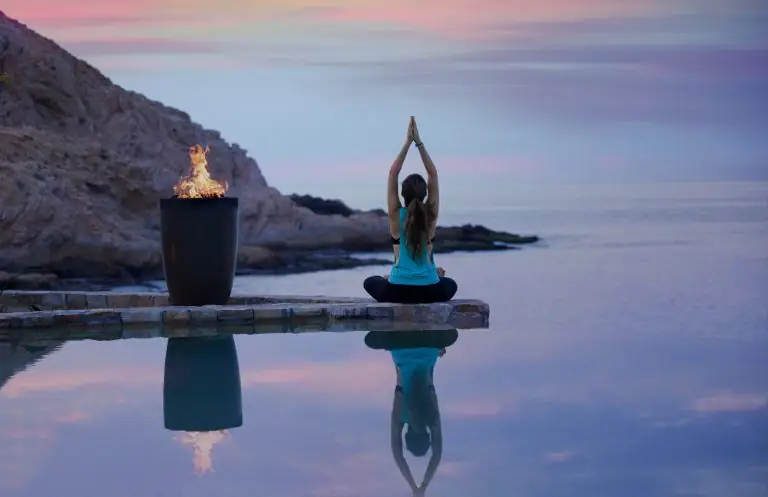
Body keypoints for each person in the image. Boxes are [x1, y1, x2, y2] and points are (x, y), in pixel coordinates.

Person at [363, 117, 458, 304]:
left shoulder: (395, 216)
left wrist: (407, 142)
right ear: (425, 194)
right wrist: (419, 143)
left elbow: (393, 173)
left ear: (402, 193)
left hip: (398, 291)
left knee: (371, 282)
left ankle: (393, 276)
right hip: (430, 292)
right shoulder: (430, 216)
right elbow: (433, 174)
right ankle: (432, 273)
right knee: (449, 284)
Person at [365, 329, 458, 497]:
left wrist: (423, 485)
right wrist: (414, 487)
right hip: (400, 345)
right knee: (370, 341)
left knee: (452, 336)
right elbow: (397, 454)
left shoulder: (432, 417)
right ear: (406, 436)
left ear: (428, 437)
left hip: (429, 345)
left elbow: (437, 455)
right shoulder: (400, 417)